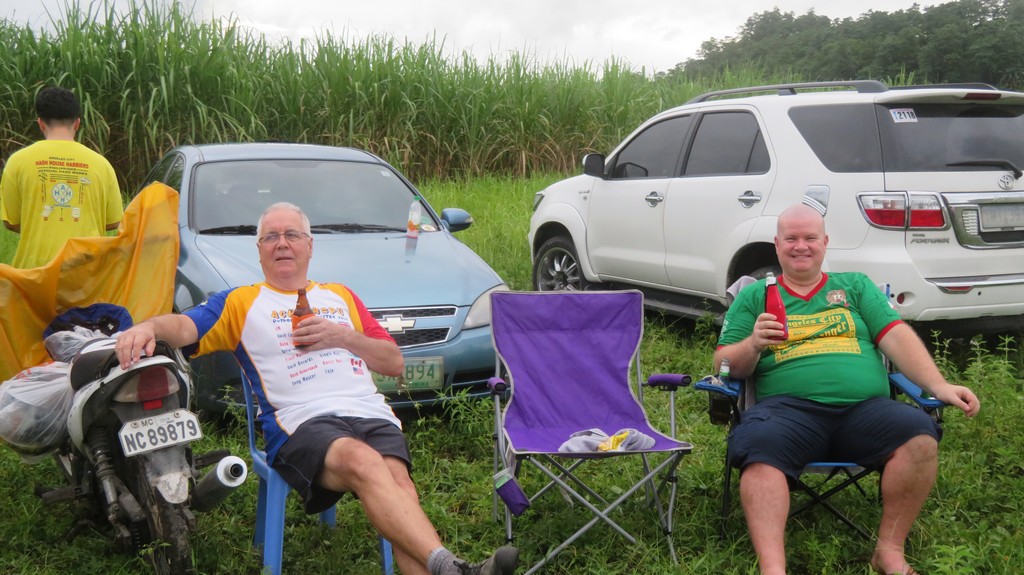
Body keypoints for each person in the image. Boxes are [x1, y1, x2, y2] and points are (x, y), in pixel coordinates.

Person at [114, 202, 518, 575]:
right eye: (271, 237)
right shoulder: (240, 302)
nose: (282, 243)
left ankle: (447, 569)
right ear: (259, 251)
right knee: (364, 462)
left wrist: (342, 336)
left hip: (369, 412)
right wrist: (149, 327)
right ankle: (453, 568)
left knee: (400, 488)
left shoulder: (340, 296)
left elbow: (393, 363)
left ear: (309, 246)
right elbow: (184, 327)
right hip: (299, 422)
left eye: (292, 235)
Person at [715, 203, 980, 575]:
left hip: (864, 411)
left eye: (810, 238)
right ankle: (773, 569)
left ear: (825, 243)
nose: (801, 246)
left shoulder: (855, 286)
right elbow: (724, 364)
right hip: (787, 414)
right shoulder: (756, 295)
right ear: (777, 245)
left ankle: (889, 552)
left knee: (919, 438)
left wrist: (938, 385)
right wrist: (753, 344)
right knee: (759, 449)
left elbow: (896, 336)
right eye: (791, 238)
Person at [1, 85, 123, 269]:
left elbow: (11, 222)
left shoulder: (17, 162)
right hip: (86, 274)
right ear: (77, 123)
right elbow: (113, 222)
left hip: (33, 274)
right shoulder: (102, 165)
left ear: (41, 123)